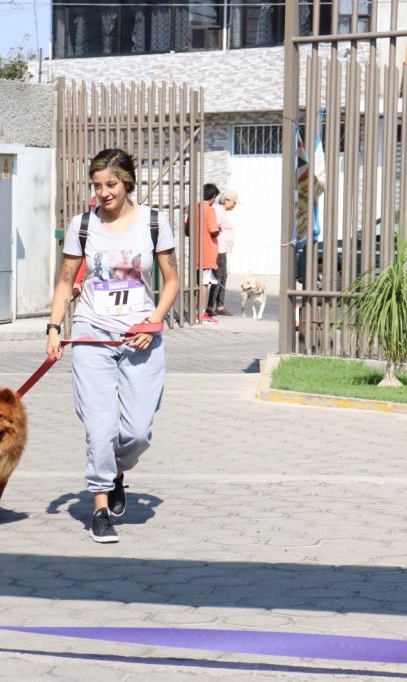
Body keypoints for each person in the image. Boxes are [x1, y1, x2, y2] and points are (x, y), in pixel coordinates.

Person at [45, 148, 181, 543]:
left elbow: (172, 281)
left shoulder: (154, 222)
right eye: (97, 185)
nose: (103, 193)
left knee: (137, 432)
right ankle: (100, 508)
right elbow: (65, 280)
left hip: (141, 336)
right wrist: (54, 327)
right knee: (100, 427)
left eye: (111, 185)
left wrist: (154, 321)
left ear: (127, 183)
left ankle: (117, 471)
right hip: (92, 333)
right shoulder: (82, 225)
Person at [211, 188, 238, 316]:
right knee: (219, 276)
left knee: (223, 276)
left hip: (222, 249)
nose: (234, 205)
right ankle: (211, 306)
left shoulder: (222, 211)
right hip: (219, 248)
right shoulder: (218, 211)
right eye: (234, 202)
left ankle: (220, 305)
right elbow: (214, 226)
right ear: (227, 200)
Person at [198, 183, 222, 323]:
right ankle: (201, 314)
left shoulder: (195, 208)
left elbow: (187, 230)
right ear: (213, 196)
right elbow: (214, 230)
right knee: (204, 284)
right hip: (206, 252)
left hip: (195, 251)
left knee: (196, 283)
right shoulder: (209, 210)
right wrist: (218, 229)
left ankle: (196, 311)